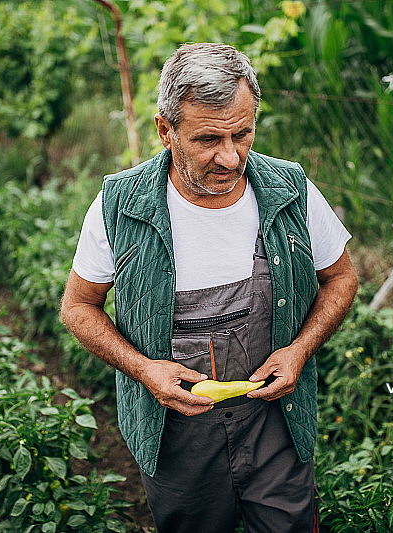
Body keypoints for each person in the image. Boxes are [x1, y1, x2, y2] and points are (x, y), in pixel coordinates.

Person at [61, 42, 358, 532]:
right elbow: (78, 307)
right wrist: (144, 370)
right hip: (176, 436)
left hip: (274, 423)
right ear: (164, 129)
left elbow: (341, 277)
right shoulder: (121, 205)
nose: (230, 156)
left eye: (243, 134)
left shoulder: (289, 191)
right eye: (207, 140)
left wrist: (300, 350)